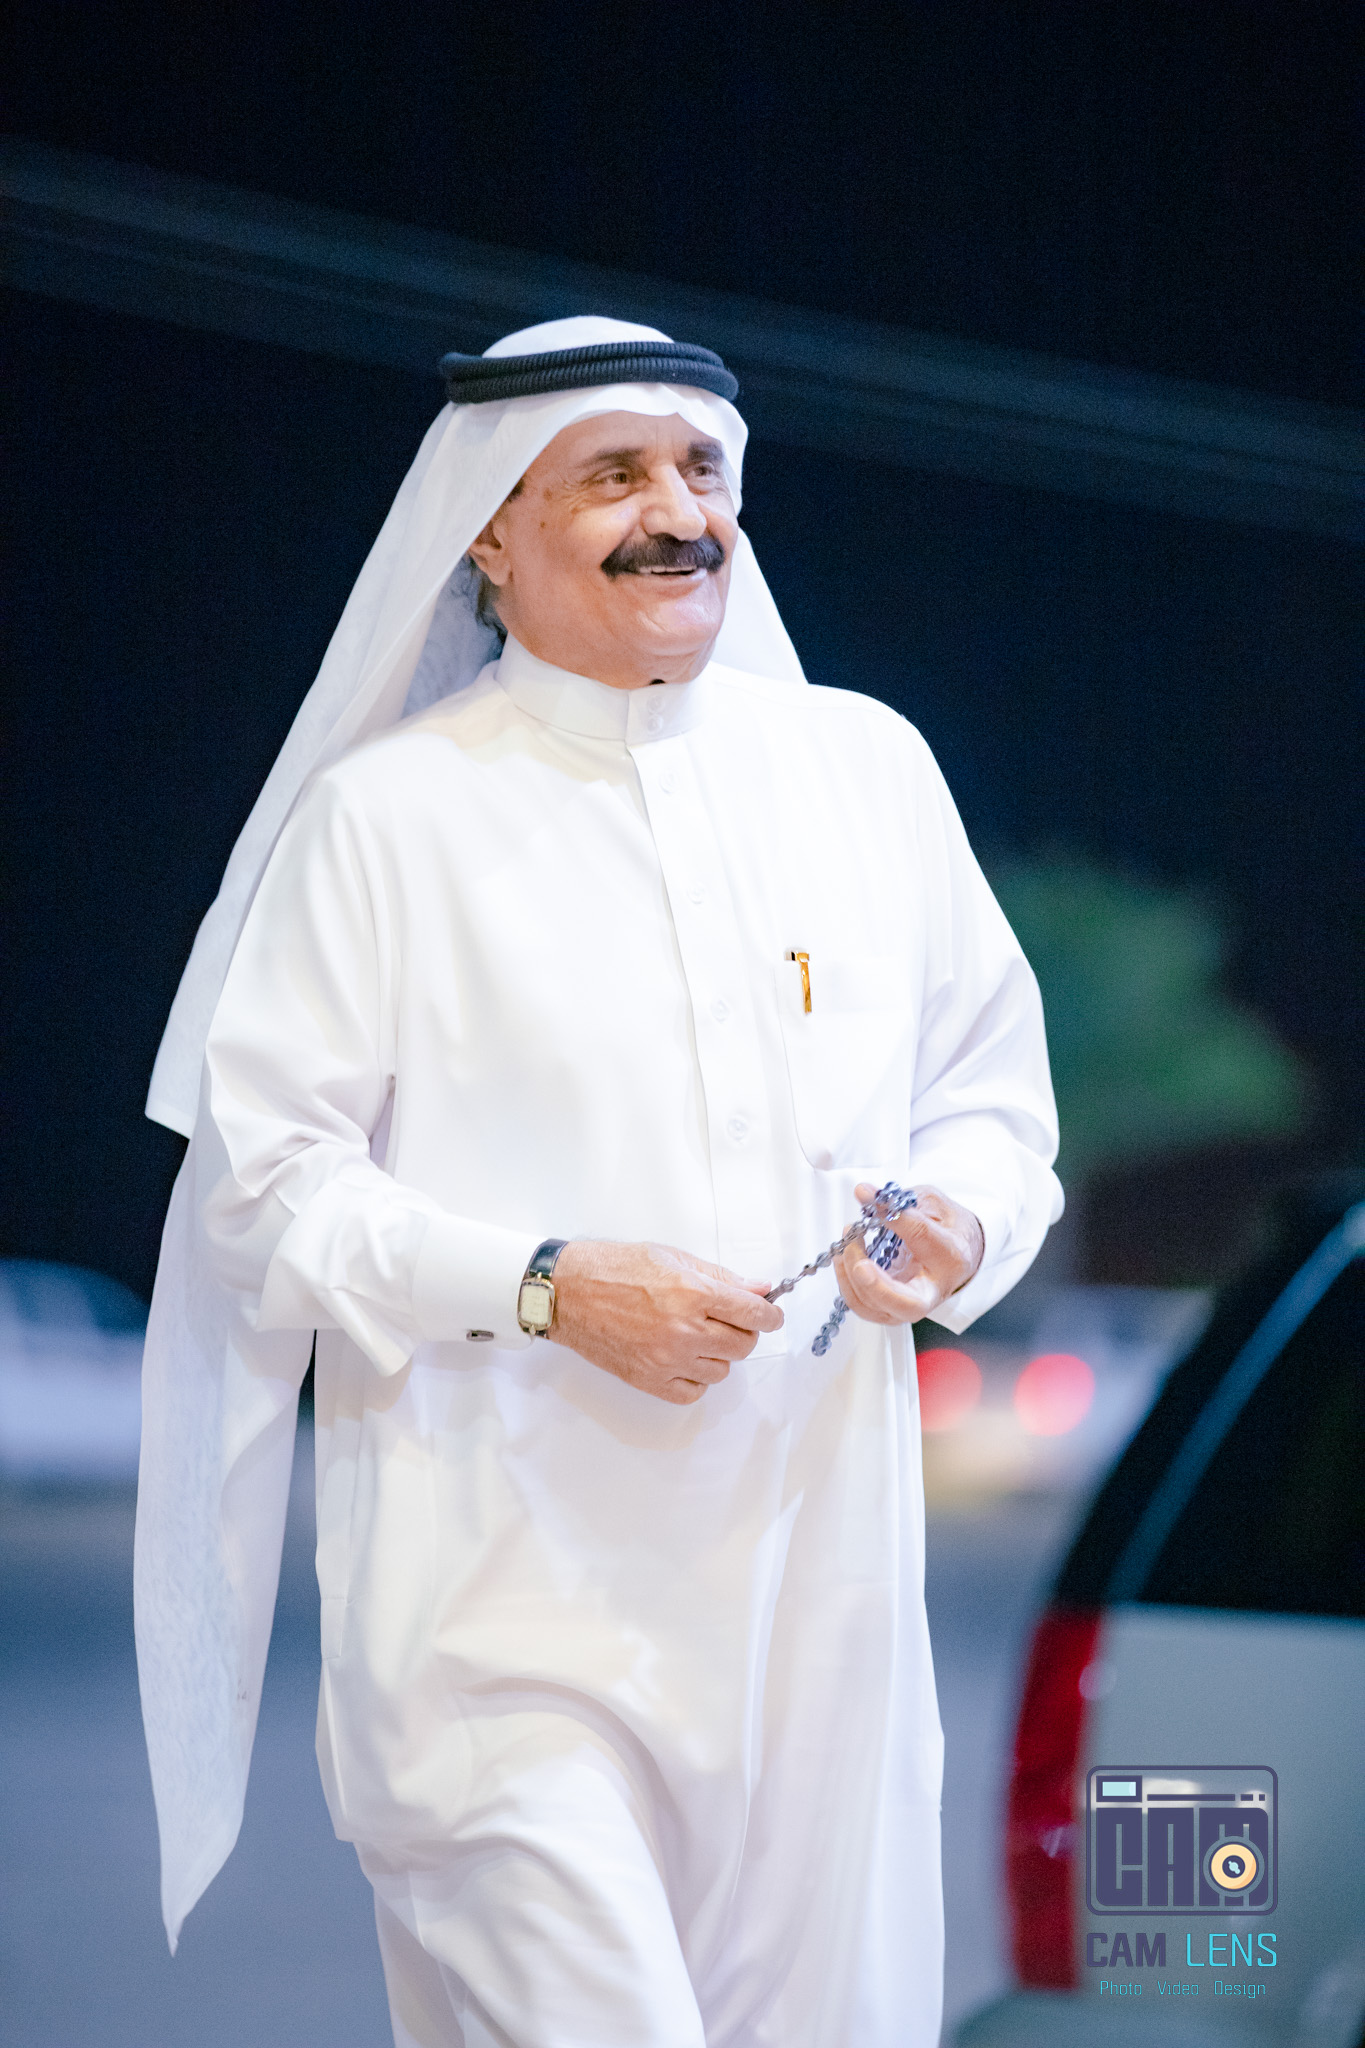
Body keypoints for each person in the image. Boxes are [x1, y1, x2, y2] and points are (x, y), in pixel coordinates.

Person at [135, 316, 1062, 2048]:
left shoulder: (864, 770)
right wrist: (552, 1287)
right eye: (613, 476)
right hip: (501, 1625)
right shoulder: (389, 817)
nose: (677, 514)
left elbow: (994, 1109)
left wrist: (960, 1222)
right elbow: (263, 1193)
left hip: (819, 1626)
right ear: (489, 530)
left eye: (701, 470)